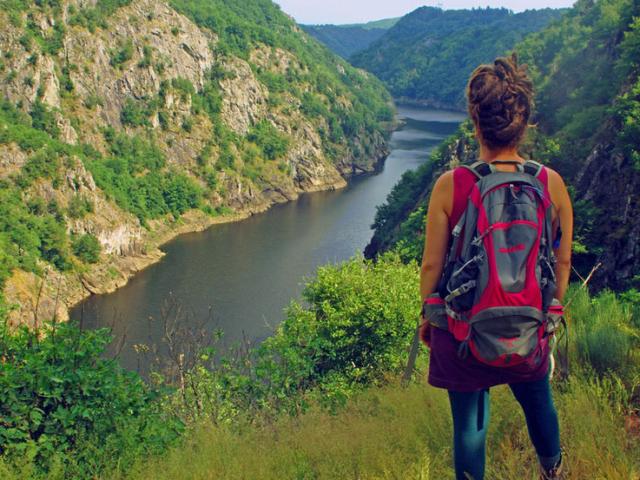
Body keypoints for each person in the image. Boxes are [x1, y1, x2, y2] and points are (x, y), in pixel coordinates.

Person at [418, 54, 573, 480]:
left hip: (463, 328)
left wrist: (430, 316)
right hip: (528, 328)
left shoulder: (452, 185)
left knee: (470, 425)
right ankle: (553, 471)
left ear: (475, 118)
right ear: (524, 121)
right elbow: (561, 259)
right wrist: (550, 312)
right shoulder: (551, 183)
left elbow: (432, 264)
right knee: (539, 400)